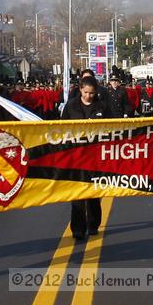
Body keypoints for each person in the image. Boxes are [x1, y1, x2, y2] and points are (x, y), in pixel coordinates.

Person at [62, 75, 107, 240]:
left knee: (94, 194)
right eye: (86, 92)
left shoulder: (102, 106)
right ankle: (78, 228)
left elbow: (113, 128)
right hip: (76, 156)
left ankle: (93, 224)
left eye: (92, 93)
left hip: (95, 156)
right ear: (80, 89)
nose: (89, 96)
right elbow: (62, 128)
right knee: (78, 195)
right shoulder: (71, 106)